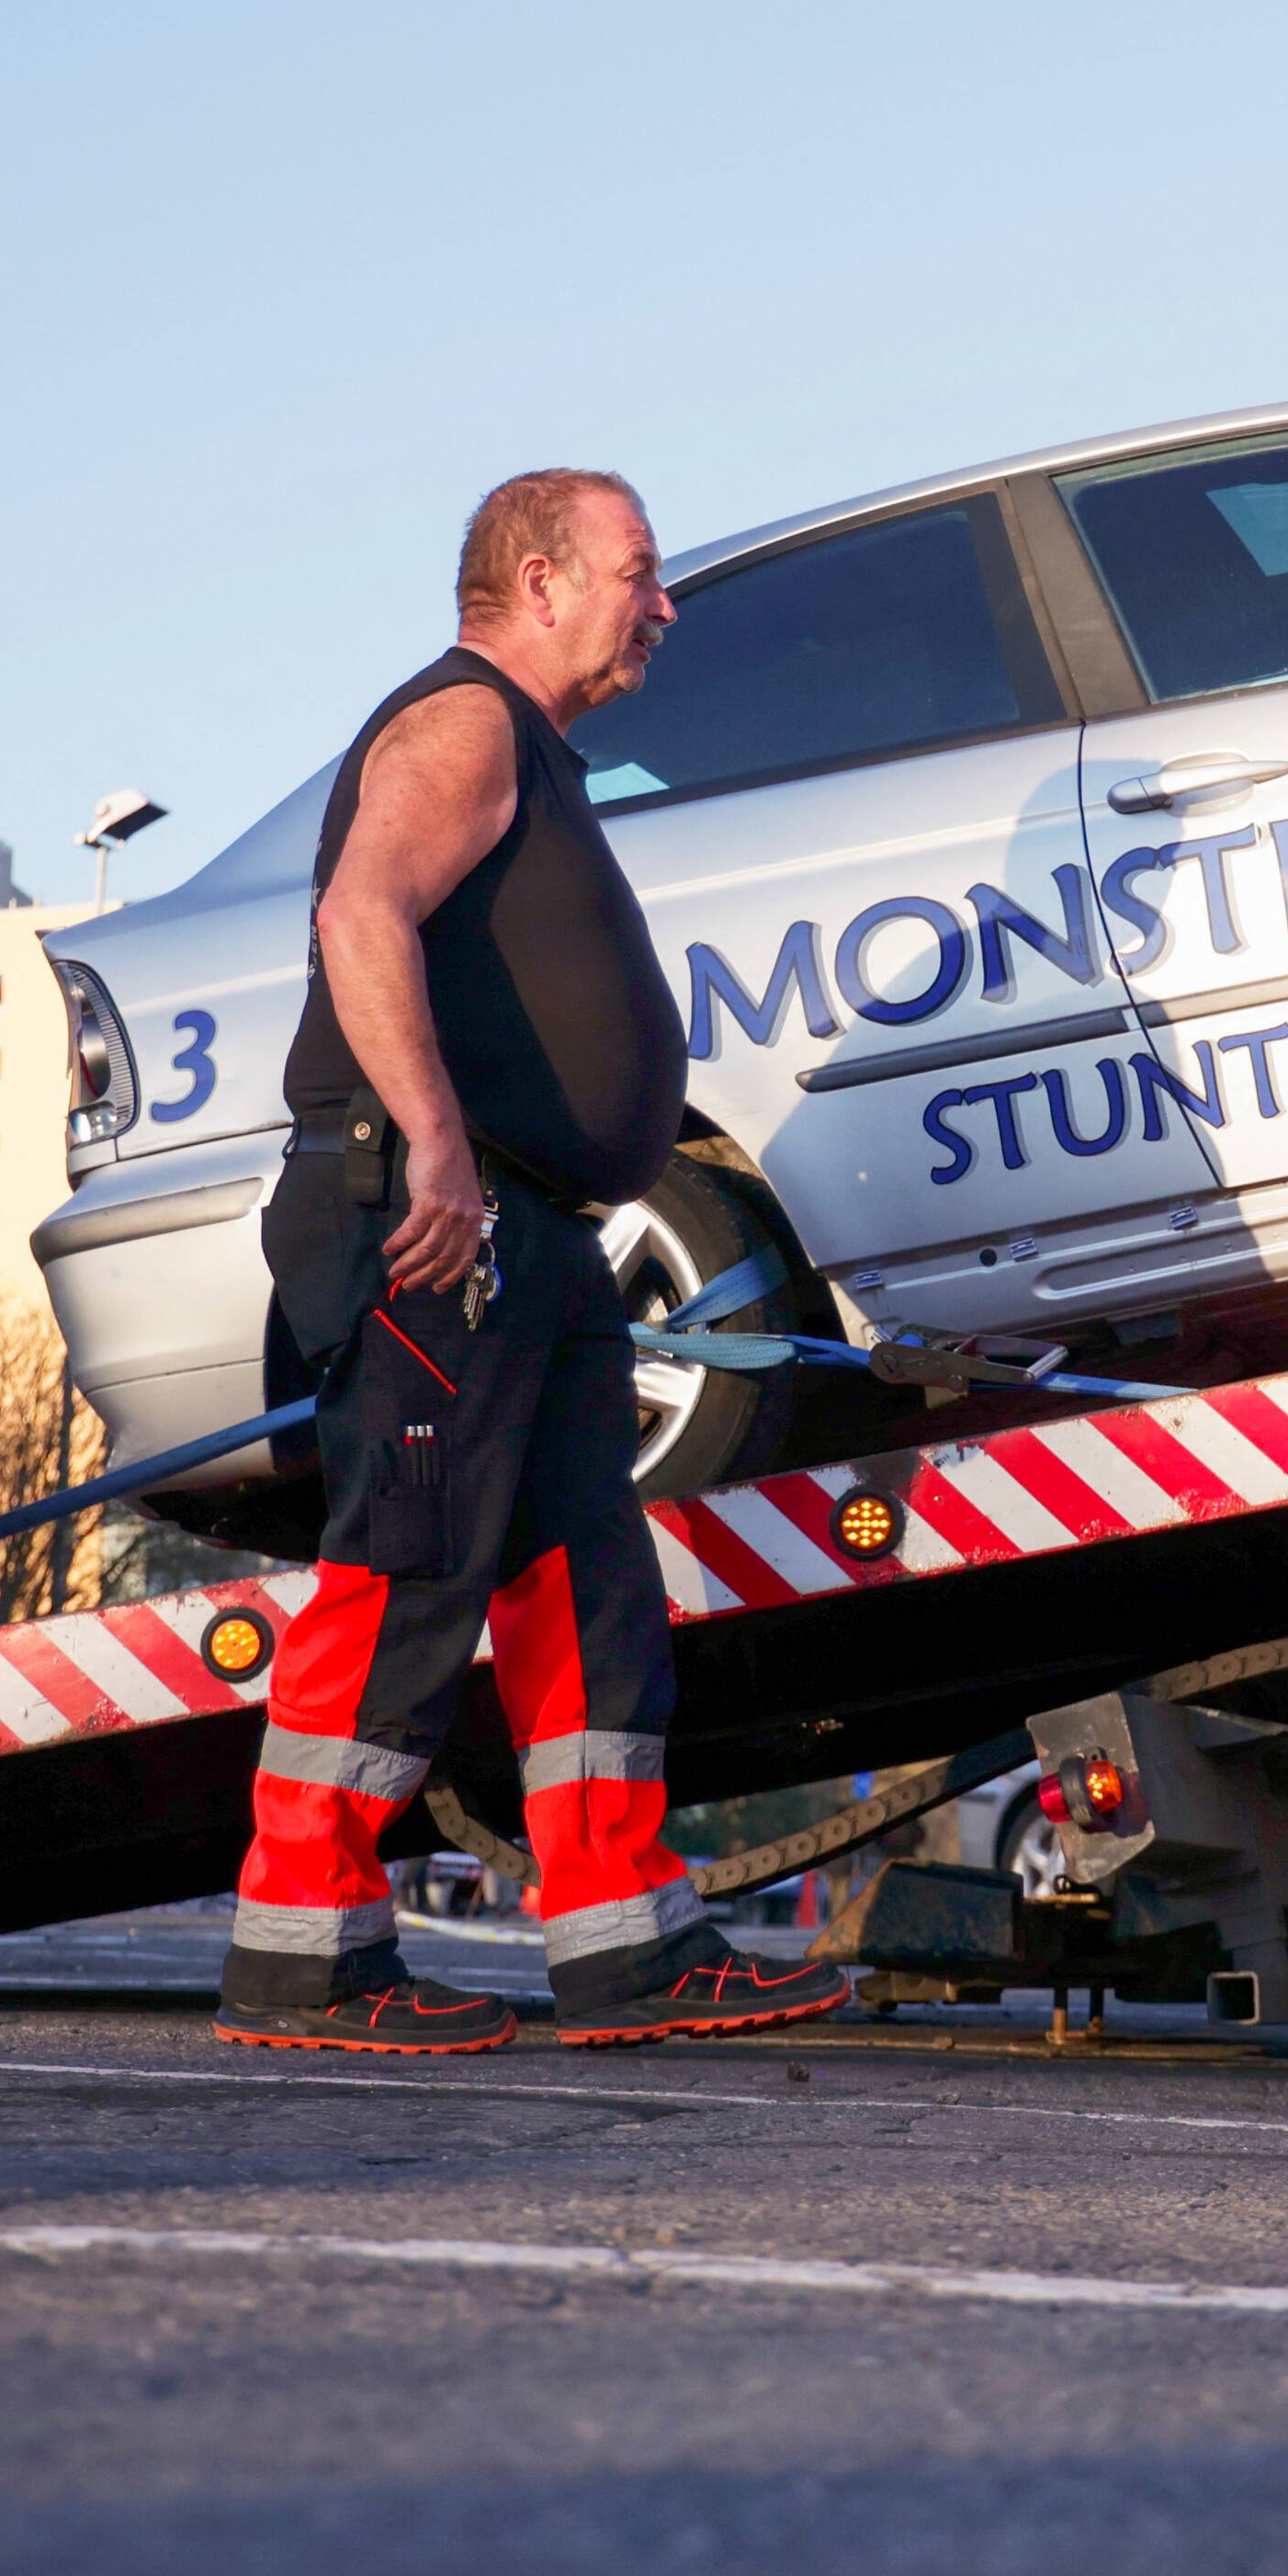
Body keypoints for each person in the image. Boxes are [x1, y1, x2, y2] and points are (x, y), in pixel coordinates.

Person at [221, 466, 850, 2056]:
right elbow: (362, 912)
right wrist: (432, 1138)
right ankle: (300, 1952)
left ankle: (626, 1943)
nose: (666, 604)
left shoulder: (534, 752)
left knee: (586, 1587)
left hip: (537, 1245)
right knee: (410, 1564)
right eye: (640, 571)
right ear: (541, 577)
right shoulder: (464, 724)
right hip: (440, 1226)